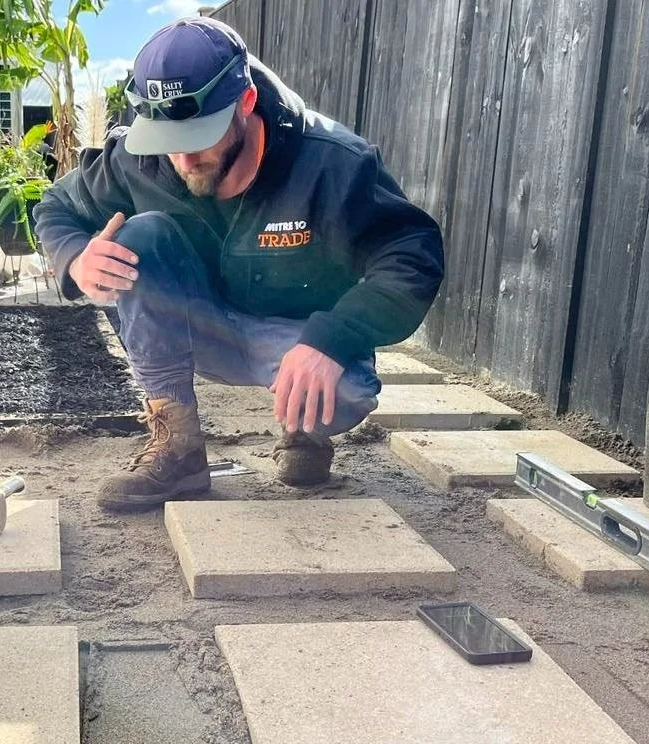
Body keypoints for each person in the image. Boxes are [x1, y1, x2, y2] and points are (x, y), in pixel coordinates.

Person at [33, 17, 444, 512]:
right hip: (196, 331)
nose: (183, 160)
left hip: (295, 342)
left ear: (245, 102)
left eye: (199, 136)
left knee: (348, 390)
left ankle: (305, 429)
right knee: (138, 237)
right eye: (167, 140)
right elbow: (56, 205)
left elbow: (413, 254)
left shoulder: (333, 164)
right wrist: (75, 257)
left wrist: (334, 339)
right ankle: (178, 448)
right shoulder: (139, 160)